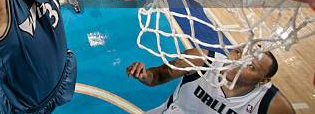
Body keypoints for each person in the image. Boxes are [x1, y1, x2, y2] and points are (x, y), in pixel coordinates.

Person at [126, 47, 294, 113]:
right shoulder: (200, 60)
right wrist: (145, 75)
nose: (237, 63)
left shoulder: (274, 104)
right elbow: (158, 76)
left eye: (251, 66)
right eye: (238, 53)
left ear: (263, 81)